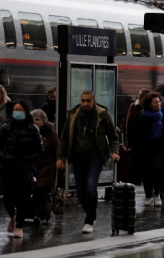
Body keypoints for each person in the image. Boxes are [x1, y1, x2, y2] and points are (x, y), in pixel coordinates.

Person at [56, 90, 119, 233]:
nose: (85, 103)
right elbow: (64, 138)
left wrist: (114, 152)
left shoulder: (102, 115)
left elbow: (113, 137)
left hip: (95, 157)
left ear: (94, 101)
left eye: (88, 101)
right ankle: (91, 209)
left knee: (91, 188)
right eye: (82, 100)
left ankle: (89, 221)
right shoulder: (73, 116)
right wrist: (60, 157)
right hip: (78, 157)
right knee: (80, 192)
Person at [0, 100, 44, 238]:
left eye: (21, 110)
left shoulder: (33, 129)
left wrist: (28, 160)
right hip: (8, 168)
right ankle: (12, 216)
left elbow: (40, 150)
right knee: (8, 198)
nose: (18, 113)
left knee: (21, 198)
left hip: (23, 169)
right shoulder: (6, 127)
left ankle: (19, 226)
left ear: (26, 112)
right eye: (16, 110)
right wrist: (4, 157)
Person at [130, 93, 164, 207]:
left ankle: (157, 194)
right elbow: (134, 131)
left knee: (158, 170)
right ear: (149, 104)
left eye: (159, 102)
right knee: (146, 172)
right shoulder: (141, 116)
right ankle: (149, 195)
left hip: (161, 149)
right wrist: (133, 145)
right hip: (145, 149)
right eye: (155, 102)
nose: (158, 104)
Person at [30, 109, 58, 225]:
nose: (35, 122)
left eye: (38, 120)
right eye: (33, 120)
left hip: (47, 168)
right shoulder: (30, 132)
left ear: (44, 121)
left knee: (41, 190)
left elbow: (57, 150)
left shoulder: (50, 133)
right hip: (33, 168)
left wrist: (60, 169)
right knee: (36, 192)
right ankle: (44, 213)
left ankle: (37, 216)